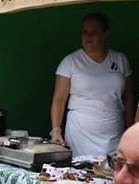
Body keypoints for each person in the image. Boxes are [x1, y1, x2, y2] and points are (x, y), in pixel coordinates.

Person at [50, 12, 133, 159]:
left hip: (114, 133)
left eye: (93, 32)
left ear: (105, 34)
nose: (88, 37)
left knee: (112, 172)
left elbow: (129, 97)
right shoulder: (70, 61)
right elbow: (59, 99)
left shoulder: (120, 60)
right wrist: (56, 131)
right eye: (85, 32)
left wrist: (130, 129)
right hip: (80, 135)